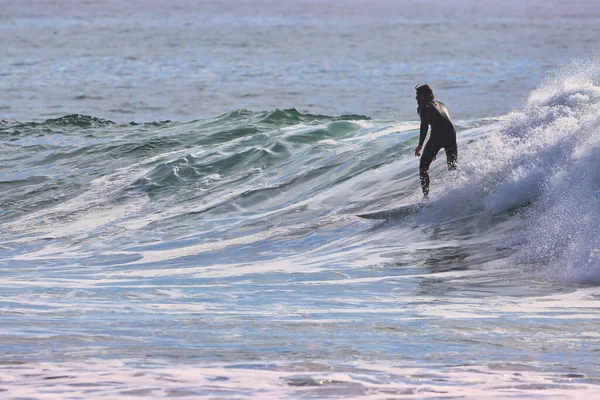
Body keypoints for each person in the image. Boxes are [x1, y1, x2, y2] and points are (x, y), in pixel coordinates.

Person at [414, 84, 457, 199]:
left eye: (418, 95)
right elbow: (442, 123)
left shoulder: (423, 108)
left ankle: (426, 197)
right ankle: (457, 192)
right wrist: (433, 148)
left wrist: (420, 145)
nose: (416, 98)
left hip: (438, 135)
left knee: (423, 167)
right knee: (452, 166)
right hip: (451, 134)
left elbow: (424, 126)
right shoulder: (442, 105)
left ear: (424, 96)